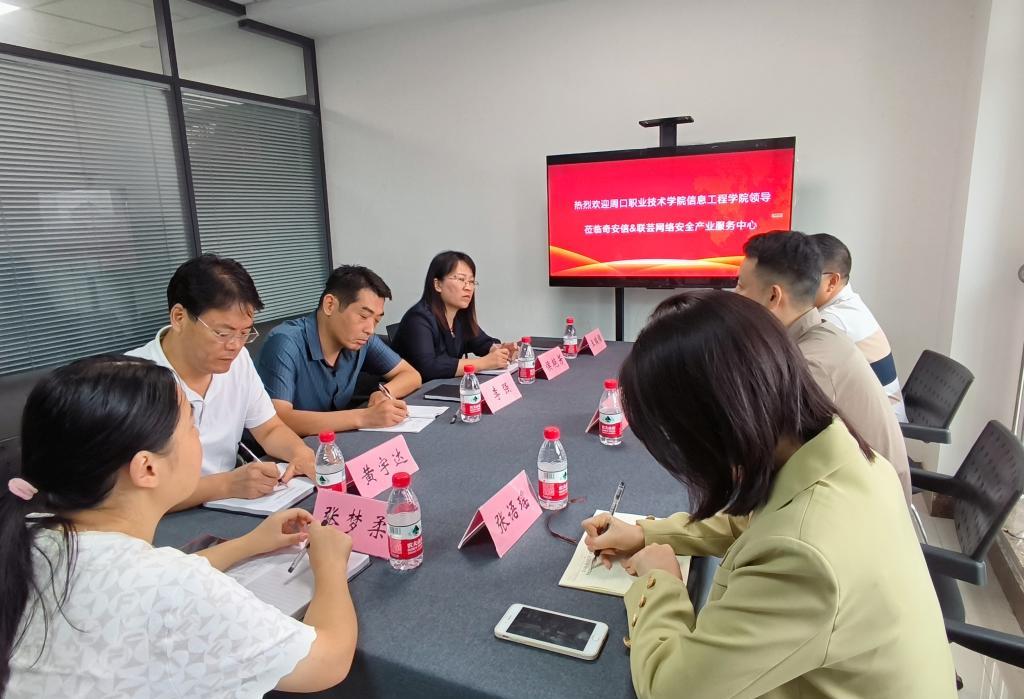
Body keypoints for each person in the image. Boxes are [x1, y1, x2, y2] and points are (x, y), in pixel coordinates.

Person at [582, 290, 955, 699]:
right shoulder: (838, 453)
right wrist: (646, 534)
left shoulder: (804, 557)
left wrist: (661, 581)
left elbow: (671, 689)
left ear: (713, 425)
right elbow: (753, 521)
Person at [2, 356, 357, 697]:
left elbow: (147, 579)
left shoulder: (28, 538)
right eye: (191, 425)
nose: (199, 436)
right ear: (147, 468)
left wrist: (248, 544)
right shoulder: (174, 588)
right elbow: (327, 662)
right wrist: (330, 565)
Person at [127, 254, 315, 509]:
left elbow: (269, 429)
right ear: (179, 317)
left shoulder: (238, 361)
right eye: (222, 333)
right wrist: (226, 485)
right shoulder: (132, 380)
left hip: (230, 505)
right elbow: (131, 495)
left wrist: (299, 452)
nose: (235, 346)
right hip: (160, 518)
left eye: (245, 332)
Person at [735, 231, 910, 502]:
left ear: (773, 296)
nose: (735, 296)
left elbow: (765, 470)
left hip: (863, 509)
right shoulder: (818, 334)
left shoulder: (812, 366)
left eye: (741, 286)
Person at [257, 265, 422, 436]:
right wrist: (364, 417)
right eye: (364, 316)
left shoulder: (363, 340)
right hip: (284, 448)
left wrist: (384, 393)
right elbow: (278, 419)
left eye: (376, 320)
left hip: (331, 441)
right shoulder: (285, 342)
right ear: (330, 305)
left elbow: (411, 375)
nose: (370, 329)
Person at [811, 233, 907, 421]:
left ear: (832, 281)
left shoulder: (834, 321)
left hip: (877, 428)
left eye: (803, 276)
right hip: (873, 417)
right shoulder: (847, 306)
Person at [393, 251, 518, 381]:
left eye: (471, 281)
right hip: (418, 391)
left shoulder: (459, 316)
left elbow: (481, 342)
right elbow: (428, 367)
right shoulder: (418, 318)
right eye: (461, 279)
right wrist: (483, 363)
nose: (468, 287)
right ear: (437, 284)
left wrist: (499, 350)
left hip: (444, 386)